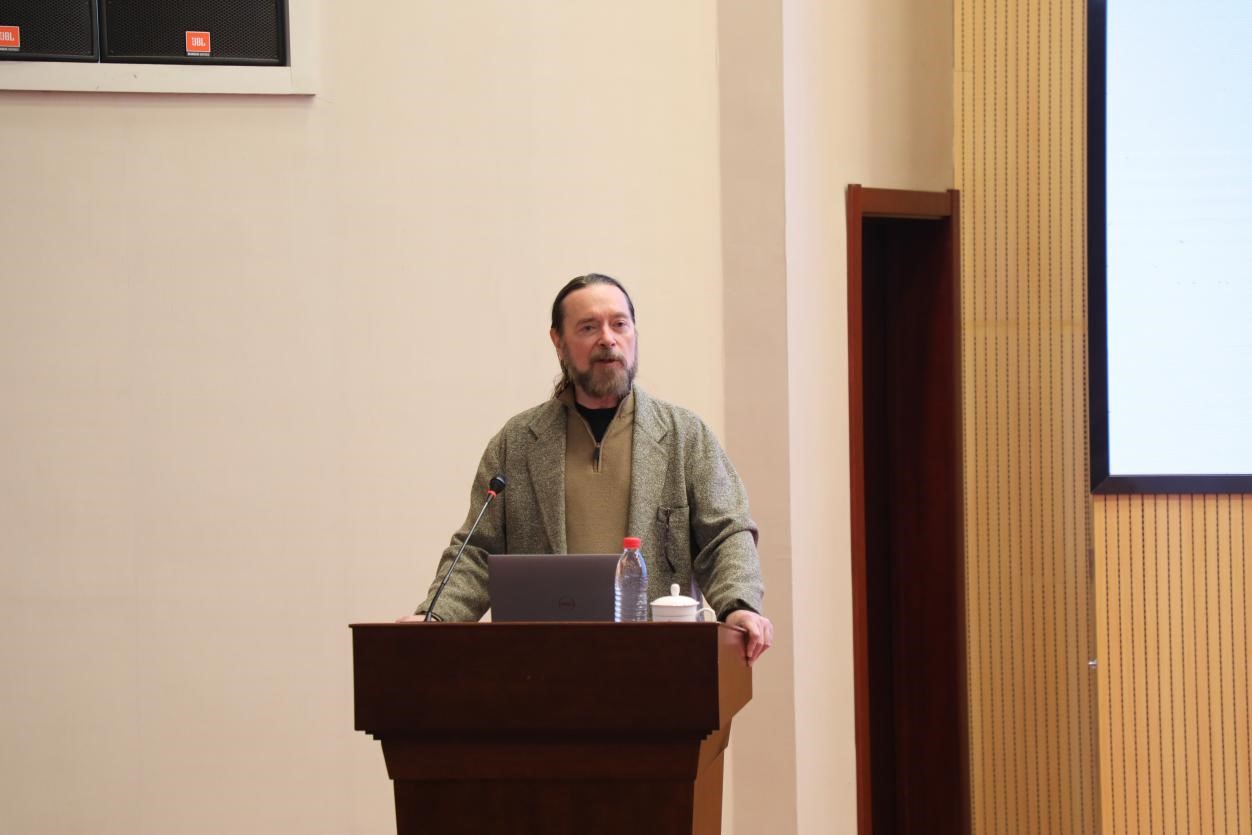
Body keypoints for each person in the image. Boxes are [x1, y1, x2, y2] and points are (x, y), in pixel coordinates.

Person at [401, 273, 773, 665]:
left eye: (619, 324)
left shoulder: (684, 436)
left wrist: (739, 605)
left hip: (658, 665)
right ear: (558, 342)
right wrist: (436, 616)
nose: (607, 339)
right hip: (543, 666)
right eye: (588, 327)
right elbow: (478, 552)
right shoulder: (518, 442)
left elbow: (726, 535)